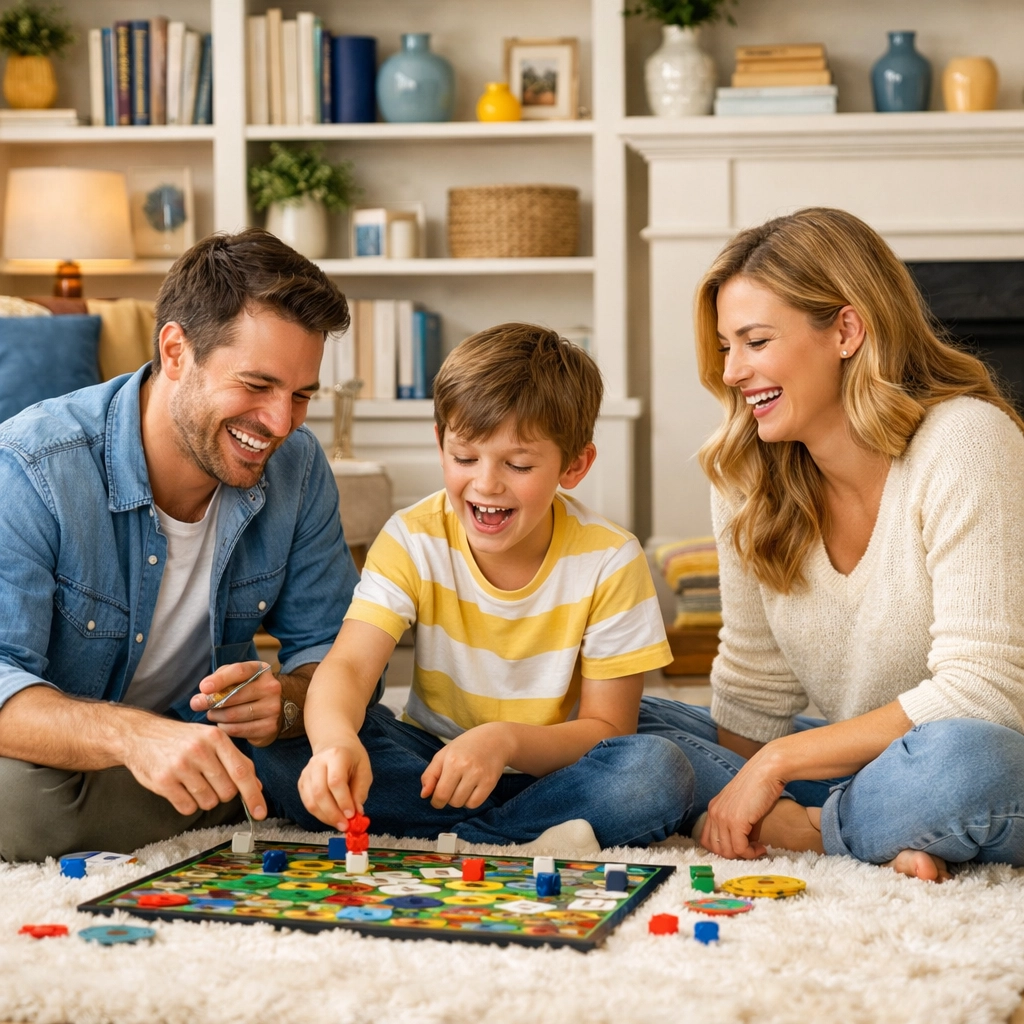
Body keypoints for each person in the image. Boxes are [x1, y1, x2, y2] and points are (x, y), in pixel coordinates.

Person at [638, 207, 1024, 879]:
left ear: (846, 330)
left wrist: (777, 768)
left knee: (963, 763)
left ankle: (822, 833)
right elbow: (754, 682)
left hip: (974, 751)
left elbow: (987, 692)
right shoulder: (745, 473)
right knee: (628, 727)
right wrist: (747, 785)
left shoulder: (966, 440)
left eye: (754, 342)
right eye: (727, 347)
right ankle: (880, 828)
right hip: (849, 758)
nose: (731, 372)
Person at [0, 229, 363, 862]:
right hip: (68, 757)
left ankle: (229, 786)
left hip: (207, 738)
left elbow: (337, 648)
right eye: (256, 385)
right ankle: (242, 794)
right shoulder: (33, 467)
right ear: (176, 351)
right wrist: (135, 738)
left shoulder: (298, 467)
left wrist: (288, 705)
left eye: (301, 395)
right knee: (24, 800)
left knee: (360, 741)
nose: (280, 423)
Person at [296, 323, 692, 853]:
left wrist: (504, 740)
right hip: (430, 766)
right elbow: (346, 666)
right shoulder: (413, 538)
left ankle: (463, 837)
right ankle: (524, 835)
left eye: (519, 464)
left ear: (574, 465)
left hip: (553, 772)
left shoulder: (610, 559)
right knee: (290, 745)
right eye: (465, 458)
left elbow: (607, 727)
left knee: (657, 771)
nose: (486, 484)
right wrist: (334, 744)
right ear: (440, 443)